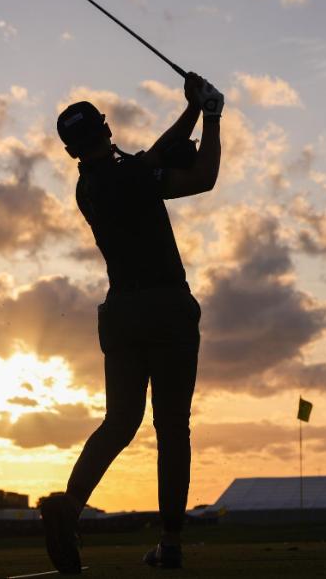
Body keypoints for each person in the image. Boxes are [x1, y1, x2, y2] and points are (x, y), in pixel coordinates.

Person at [38, 72, 223, 573]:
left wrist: (193, 113)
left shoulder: (91, 186)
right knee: (172, 429)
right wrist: (206, 113)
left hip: (121, 316)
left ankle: (70, 508)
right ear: (105, 128)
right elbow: (202, 175)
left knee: (120, 422)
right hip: (166, 309)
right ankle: (170, 543)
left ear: (72, 150)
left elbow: (160, 160)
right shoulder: (127, 176)